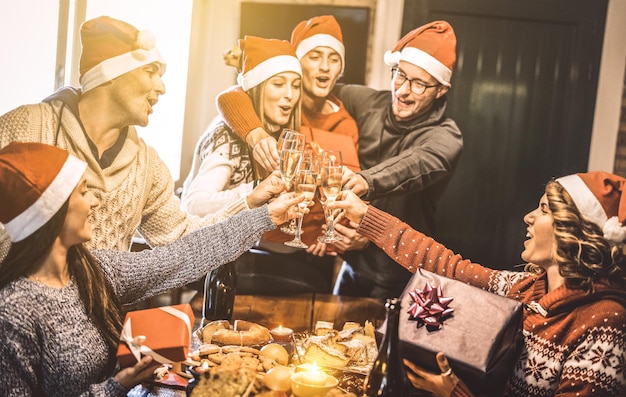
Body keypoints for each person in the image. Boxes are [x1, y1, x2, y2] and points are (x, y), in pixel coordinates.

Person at [0, 141, 302, 396]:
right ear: (51, 213)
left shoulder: (93, 271)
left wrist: (265, 217)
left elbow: (183, 256)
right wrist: (116, 386)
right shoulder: (14, 311)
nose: (95, 200)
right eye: (82, 192)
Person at [0, 16, 281, 263]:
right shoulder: (28, 127)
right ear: (110, 74)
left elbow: (184, 240)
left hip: (101, 320)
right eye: (151, 72)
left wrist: (250, 203)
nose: (161, 87)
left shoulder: (147, 166)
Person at [329, 172, 626, 397]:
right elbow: (446, 266)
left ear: (574, 231)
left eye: (545, 210)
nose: (529, 217)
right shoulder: (523, 288)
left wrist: (454, 392)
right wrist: (366, 216)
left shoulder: (605, 320)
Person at [181, 35, 334, 294]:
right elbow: (192, 204)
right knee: (310, 286)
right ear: (257, 88)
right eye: (278, 84)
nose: (289, 95)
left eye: (296, 85)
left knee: (318, 276)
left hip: (253, 249)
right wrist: (253, 192)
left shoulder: (281, 134)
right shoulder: (227, 135)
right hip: (217, 258)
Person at [215, 15, 360, 260]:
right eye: (314, 57)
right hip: (262, 248)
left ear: (340, 69)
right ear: (297, 63)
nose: (325, 66)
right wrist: (256, 134)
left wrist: (343, 237)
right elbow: (230, 97)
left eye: (334, 59)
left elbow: (344, 193)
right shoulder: (282, 107)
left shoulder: (347, 123)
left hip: (317, 258)